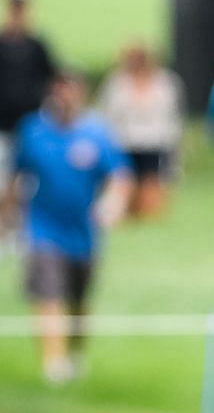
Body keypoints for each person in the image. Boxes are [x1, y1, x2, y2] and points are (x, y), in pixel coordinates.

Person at [2, 69, 129, 384]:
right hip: (42, 229)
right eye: (60, 89)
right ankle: (54, 364)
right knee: (48, 294)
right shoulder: (33, 130)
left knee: (78, 301)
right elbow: (16, 177)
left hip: (83, 233)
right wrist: (7, 217)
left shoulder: (96, 134)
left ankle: (74, 355)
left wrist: (112, 204)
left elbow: (119, 177)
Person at [97, 43, 185, 219]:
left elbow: (173, 119)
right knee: (123, 195)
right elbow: (105, 117)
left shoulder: (165, 83)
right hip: (123, 144)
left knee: (150, 205)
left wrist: (174, 157)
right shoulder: (116, 84)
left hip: (154, 146)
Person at [0, 0, 56, 188]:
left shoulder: (37, 45)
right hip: (3, 122)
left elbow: (50, 78)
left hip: (31, 122)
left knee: (27, 181)